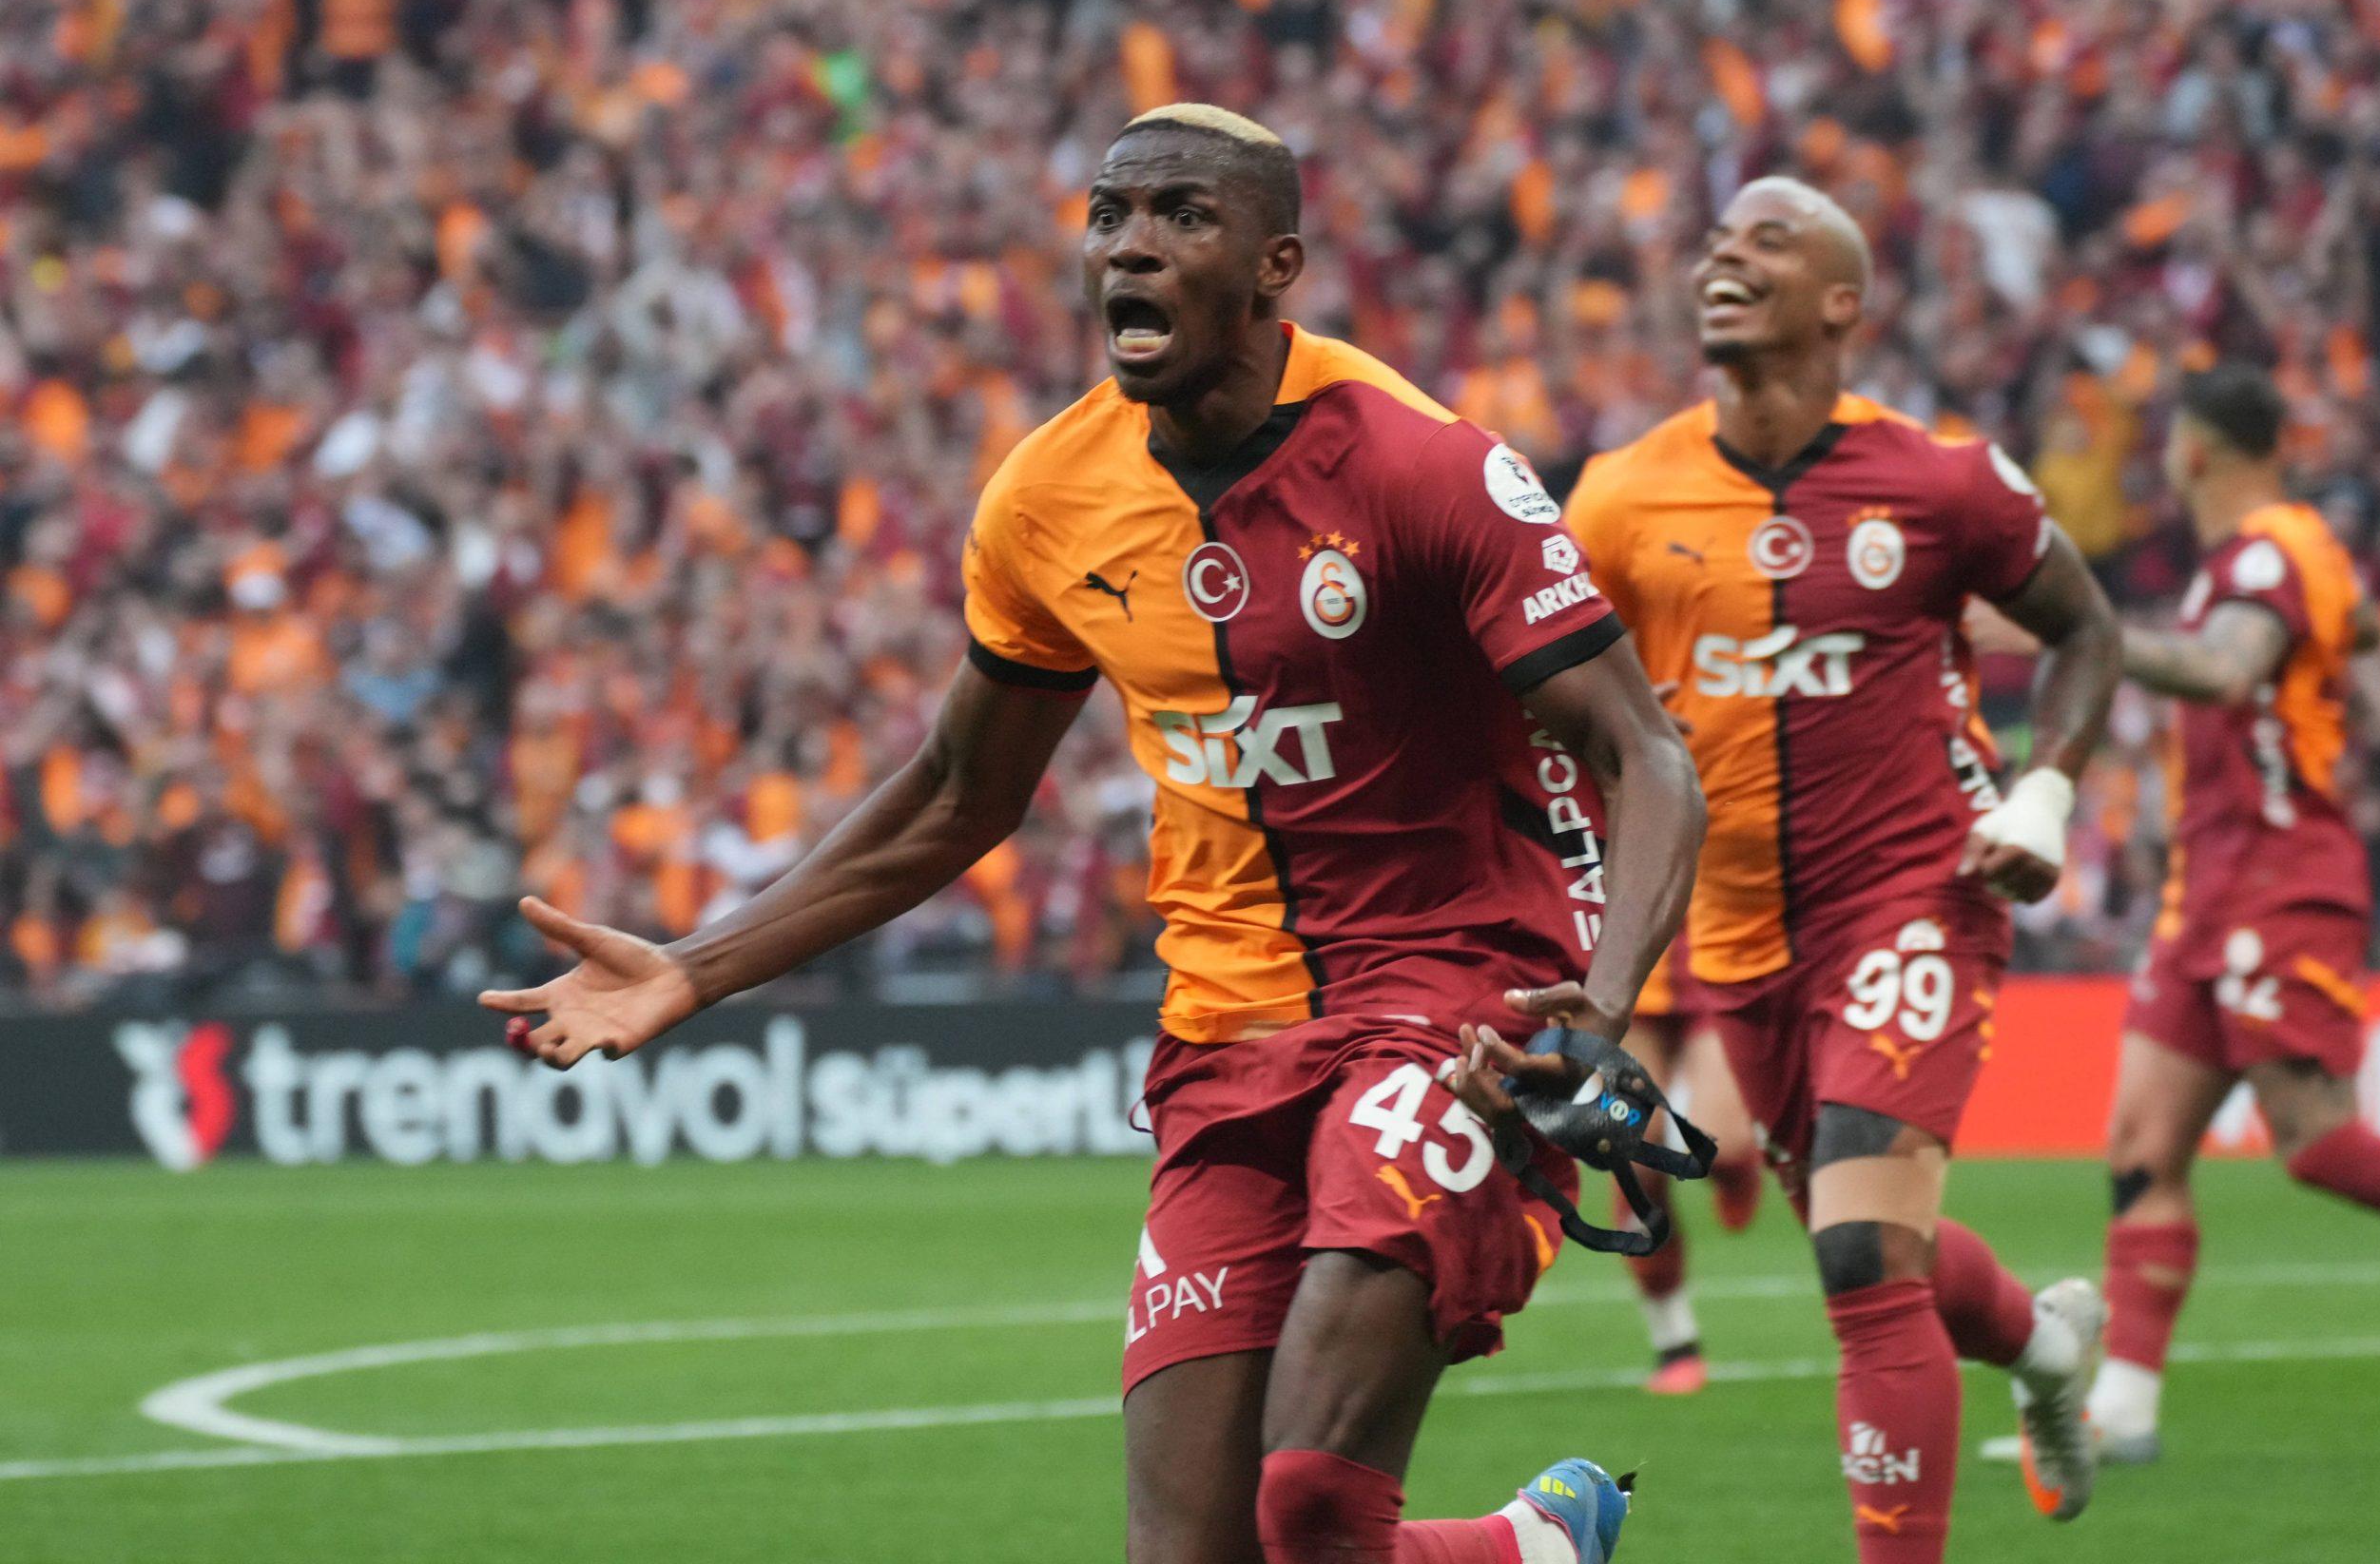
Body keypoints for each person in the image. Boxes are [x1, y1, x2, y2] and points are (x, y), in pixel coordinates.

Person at [477, 104, 1708, 1564]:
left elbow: (1647, 756)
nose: (1128, 246)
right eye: (1108, 216)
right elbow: (958, 793)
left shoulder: (1424, 470)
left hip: (1456, 1008)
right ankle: (1538, 1548)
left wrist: (1602, 1006)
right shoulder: (1045, 501)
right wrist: (696, 966)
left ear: (1276, 265)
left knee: (1312, 1500)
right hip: (1227, 1041)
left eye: (1182, 216)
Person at [1564, 178, 2125, 1563]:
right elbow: (1555, 706)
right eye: (1715, 243)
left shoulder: (1941, 484)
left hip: (1915, 902)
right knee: (1887, 1252)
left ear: (1840, 302)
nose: (1722, 258)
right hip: (1739, 936)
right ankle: (2048, 1350)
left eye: (1765, 242)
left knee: (1862, 1267)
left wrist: (2047, 790)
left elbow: (2088, 631)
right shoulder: (1625, 497)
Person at [2037, 363, 2380, 1463]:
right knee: (2141, 1143)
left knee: (2314, 1144)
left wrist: (2086, 636)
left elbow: (2222, 675)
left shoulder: (2269, 551)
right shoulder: (2272, 562)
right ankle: (2121, 1409)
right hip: (2206, 888)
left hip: (2279, 875)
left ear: (2196, 450)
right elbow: (2345, 638)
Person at [1608, 940, 1763, 1395]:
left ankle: (1736, 1169)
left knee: (1722, 1143)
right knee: (1633, 1157)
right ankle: (1675, 1341)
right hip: (1626, 964)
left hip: (1718, 954)